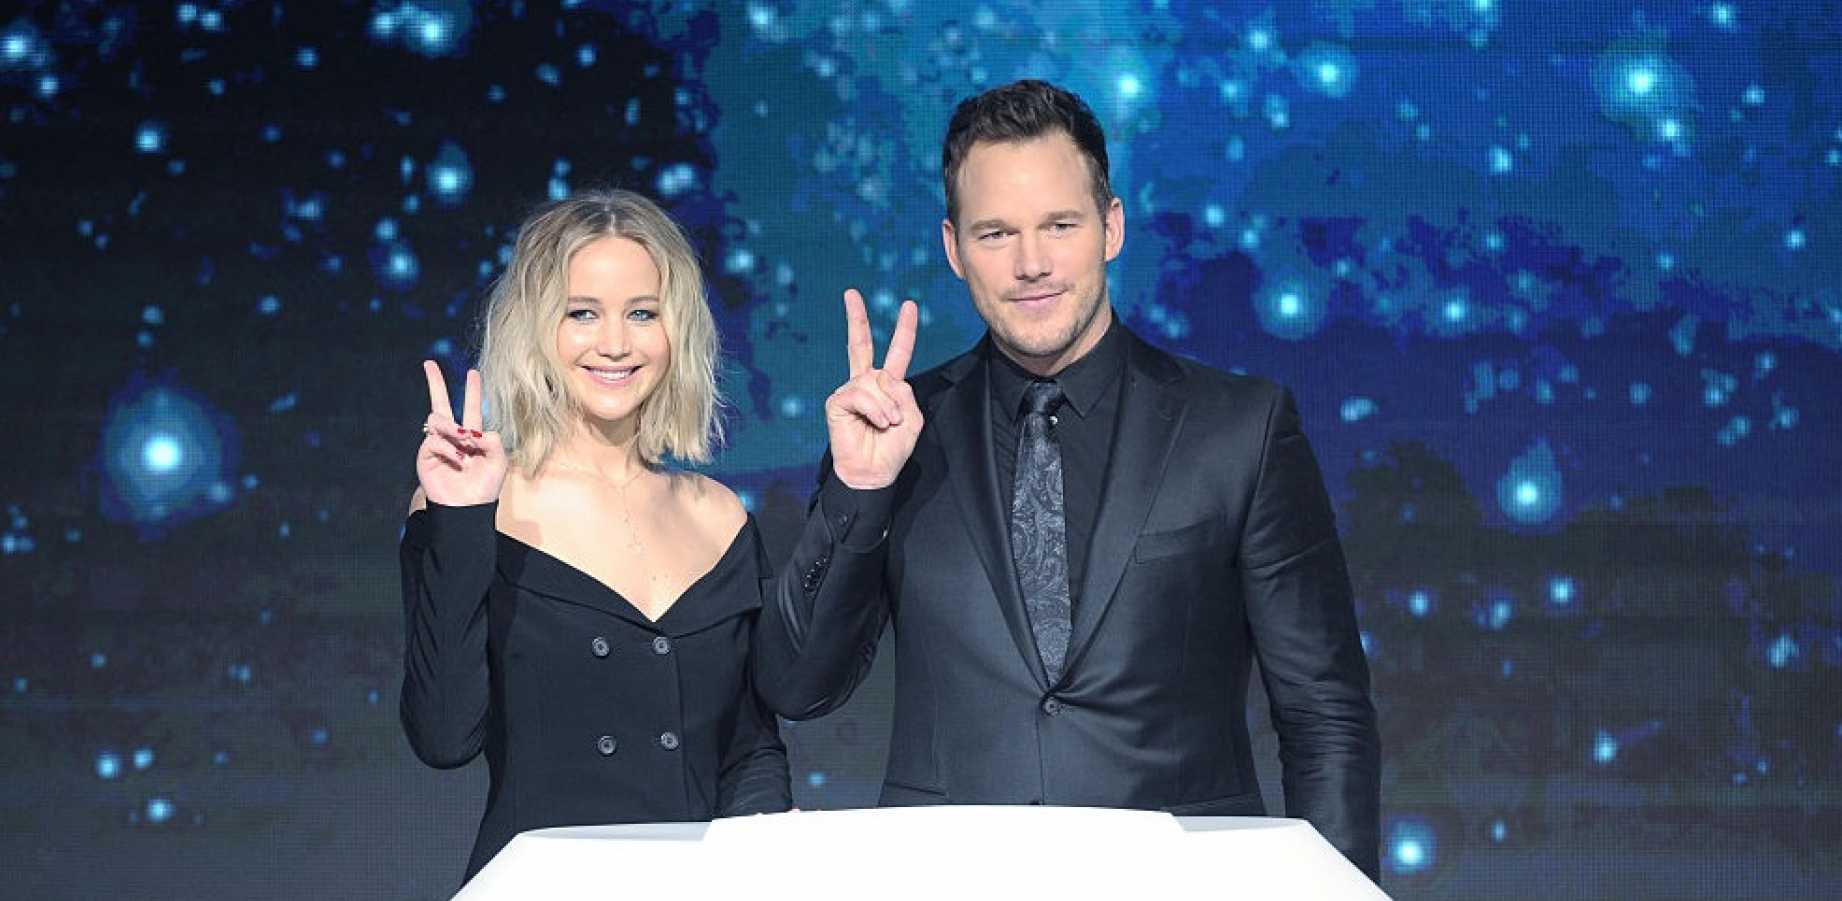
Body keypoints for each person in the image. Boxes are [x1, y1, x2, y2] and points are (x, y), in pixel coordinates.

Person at [753, 80, 1382, 879]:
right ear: (953, 248)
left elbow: (1325, 715)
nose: (1032, 264)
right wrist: (858, 491)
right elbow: (797, 685)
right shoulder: (897, 430)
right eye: (996, 233)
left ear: (1111, 226)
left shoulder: (1239, 428)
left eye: (1060, 225)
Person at [399, 189, 790, 882]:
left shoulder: (719, 515)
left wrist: (766, 873)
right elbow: (443, 736)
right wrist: (458, 520)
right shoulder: (481, 503)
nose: (614, 343)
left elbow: (750, 749)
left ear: (677, 331)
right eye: (582, 312)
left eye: (642, 313)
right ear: (536, 328)